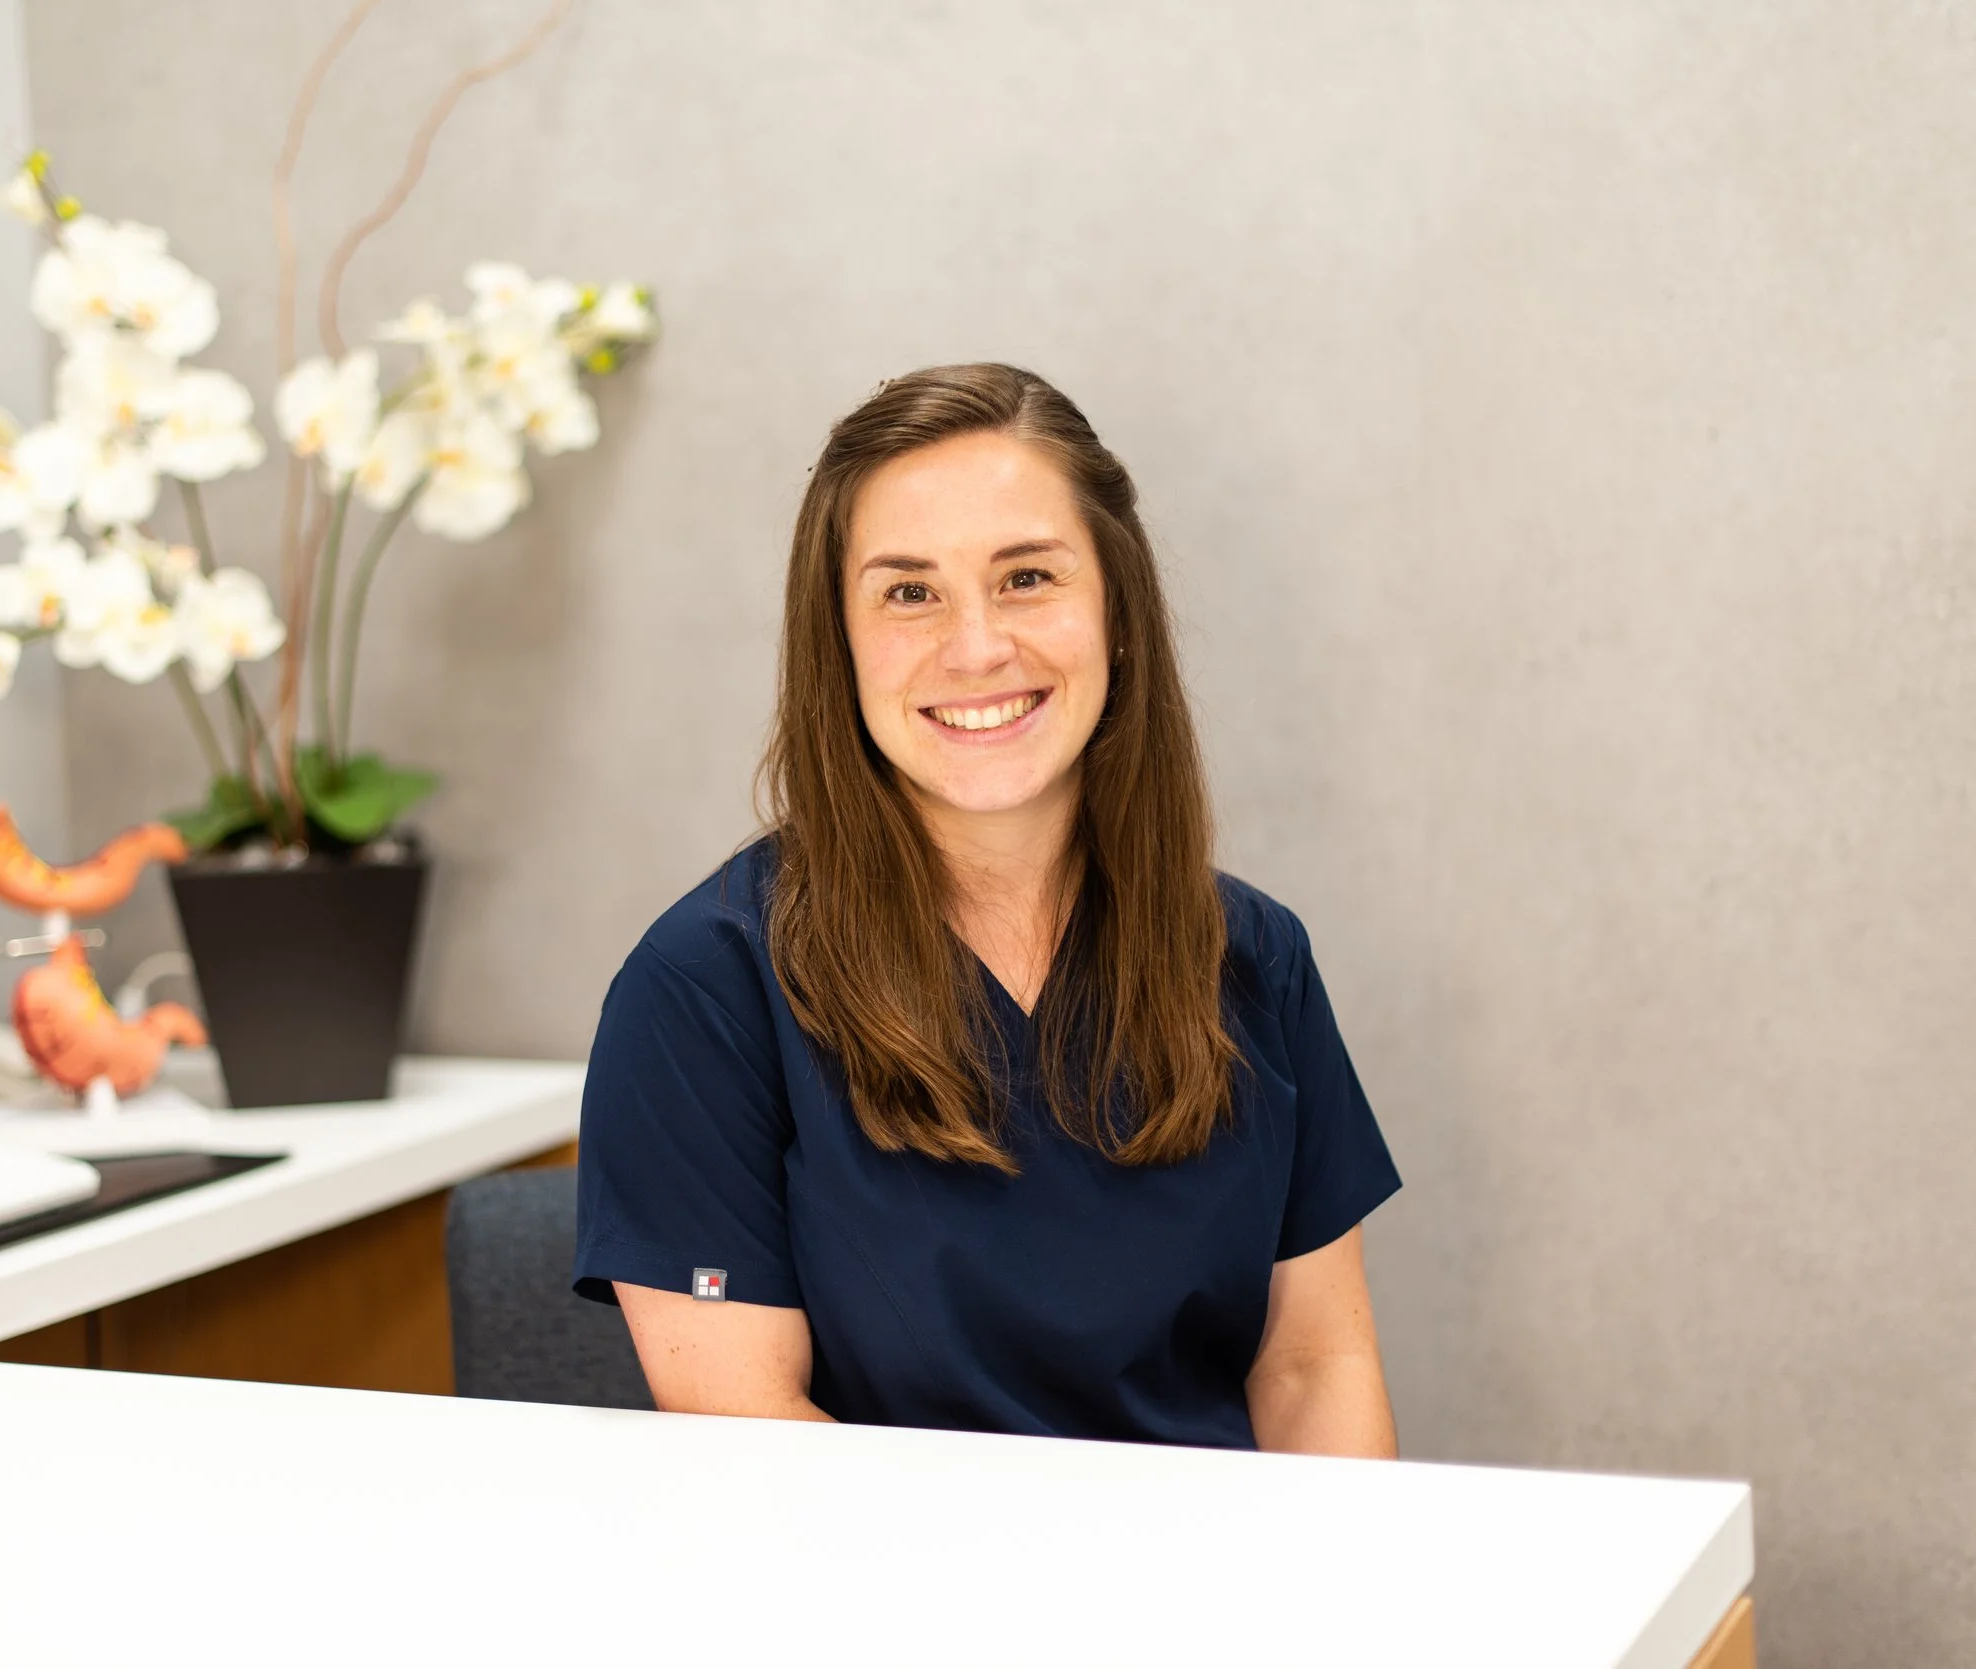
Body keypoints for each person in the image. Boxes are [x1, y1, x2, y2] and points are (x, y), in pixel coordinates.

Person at [572, 364, 1400, 1455]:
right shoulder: (705, 987)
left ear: (1116, 614)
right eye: (908, 592)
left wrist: (1327, 1609)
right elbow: (752, 1441)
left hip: (1220, 1599)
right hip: (885, 1606)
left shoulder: (1250, 956)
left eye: (1026, 578)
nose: (975, 648)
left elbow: (1308, 1367)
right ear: (841, 642)